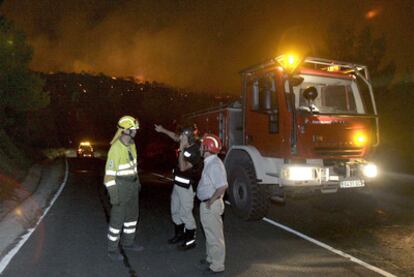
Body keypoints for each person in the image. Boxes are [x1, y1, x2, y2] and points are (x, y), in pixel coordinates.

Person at [154, 124, 202, 250]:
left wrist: (180, 149)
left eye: (182, 136)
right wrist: (163, 129)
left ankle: (190, 241)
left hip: (186, 187)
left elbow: (183, 167)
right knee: (175, 210)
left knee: (185, 213)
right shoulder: (185, 142)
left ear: (188, 138)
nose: (179, 137)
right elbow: (174, 137)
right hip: (177, 185)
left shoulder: (195, 152)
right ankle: (179, 235)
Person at [104, 115, 144, 262]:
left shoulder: (132, 144)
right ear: (126, 130)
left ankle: (128, 242)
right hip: (120, 187)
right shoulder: (115, 149)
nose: (136, 132)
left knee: (132, 217)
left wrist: (137, 182)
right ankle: (112, 249)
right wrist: (114, 195)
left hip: (132, 186)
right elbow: (108, 176)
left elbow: (133, 166)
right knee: (117, 220)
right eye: (134, 129)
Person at [197, 133, 227, 274]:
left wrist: (211, 201)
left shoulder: (214, 165)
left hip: (211, 204)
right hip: (208, 204)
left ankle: (217, 265)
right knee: (209, 233)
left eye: (202, 146)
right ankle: (211, 259)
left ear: (207, 148)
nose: (200, 148)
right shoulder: (210, 163)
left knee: (215, 235)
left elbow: (222, 186)